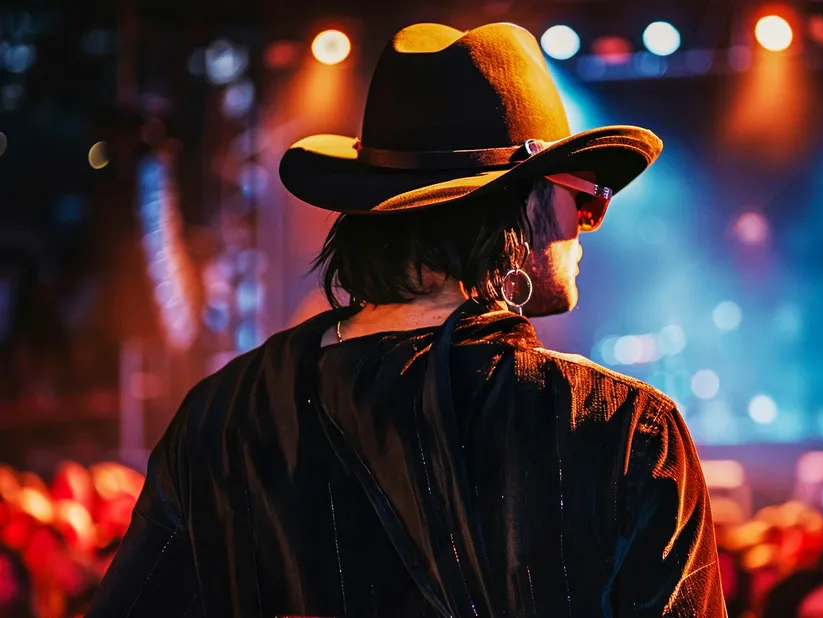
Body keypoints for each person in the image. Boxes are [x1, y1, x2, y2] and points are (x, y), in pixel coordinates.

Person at [86, 22, 724, 617]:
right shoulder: (624, 428)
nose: (587, 227)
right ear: (521, 202)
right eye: (585, 198)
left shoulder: (220, 416)